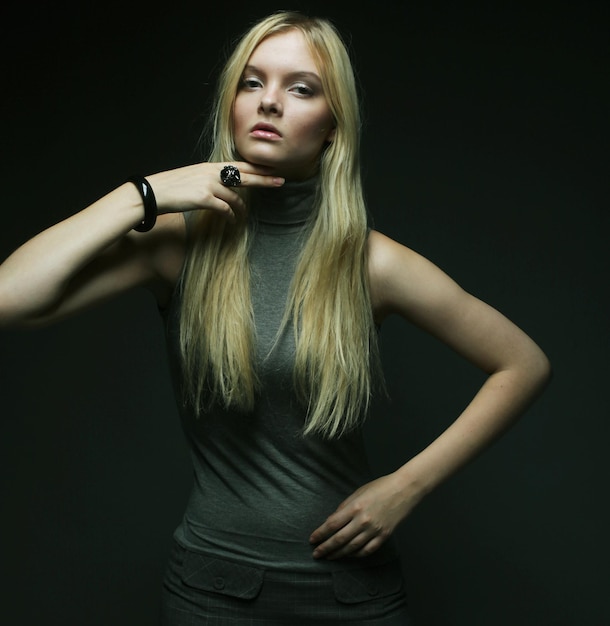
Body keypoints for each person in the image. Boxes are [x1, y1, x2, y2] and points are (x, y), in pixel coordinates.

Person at [0, 10, 551, 626]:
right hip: (211, 593)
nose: (269, 103)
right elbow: (10, 296)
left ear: (332, 126)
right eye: (252, 82)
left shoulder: (372, 263)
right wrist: (145, 194)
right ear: (231, 104)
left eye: (301, 88)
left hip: (353, 598)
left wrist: (409, 485)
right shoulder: (180, 244)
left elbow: (523, 363)